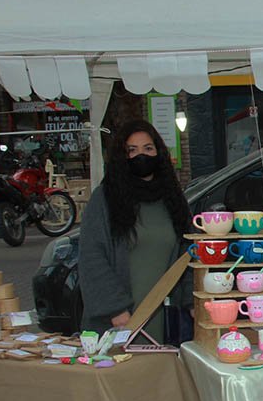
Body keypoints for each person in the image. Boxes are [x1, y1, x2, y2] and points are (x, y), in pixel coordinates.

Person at [79, 119, 192, 342]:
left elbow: (187, 254)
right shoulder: (105, 200)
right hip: (120, 320)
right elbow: (91, 258)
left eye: (148, 148)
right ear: (123, 157)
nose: (142, 155)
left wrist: (191, 301)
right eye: (132, 150)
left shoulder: (173, 201)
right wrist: (115, 309)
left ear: (159, 153)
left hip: (161, 318)